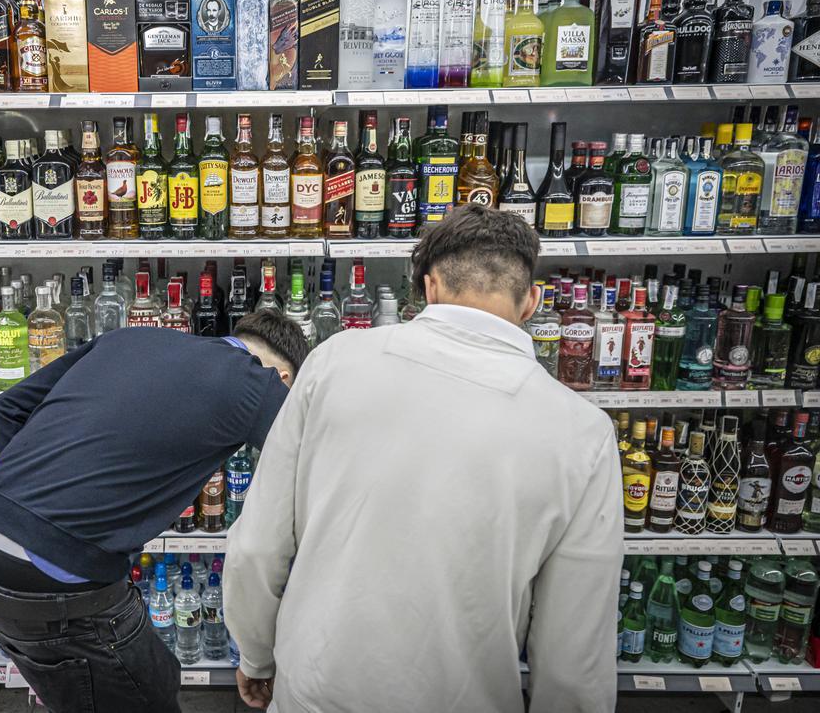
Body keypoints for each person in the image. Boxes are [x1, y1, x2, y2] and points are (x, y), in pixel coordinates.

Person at [224, 205, 623, 712]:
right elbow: (575, 658)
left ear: (429, 289)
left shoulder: (336, 361)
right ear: (531, 303)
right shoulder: (583, 433)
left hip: (316, 694)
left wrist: (257, 657)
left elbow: (257, 547)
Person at [0, 310, 309, 713]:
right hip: (56, 582)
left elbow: (8, 407)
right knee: (148, 694)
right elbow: (309, 473)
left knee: (129, 682)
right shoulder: (259, 383)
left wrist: (31, 510)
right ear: (284, 378)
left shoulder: (127, 338)